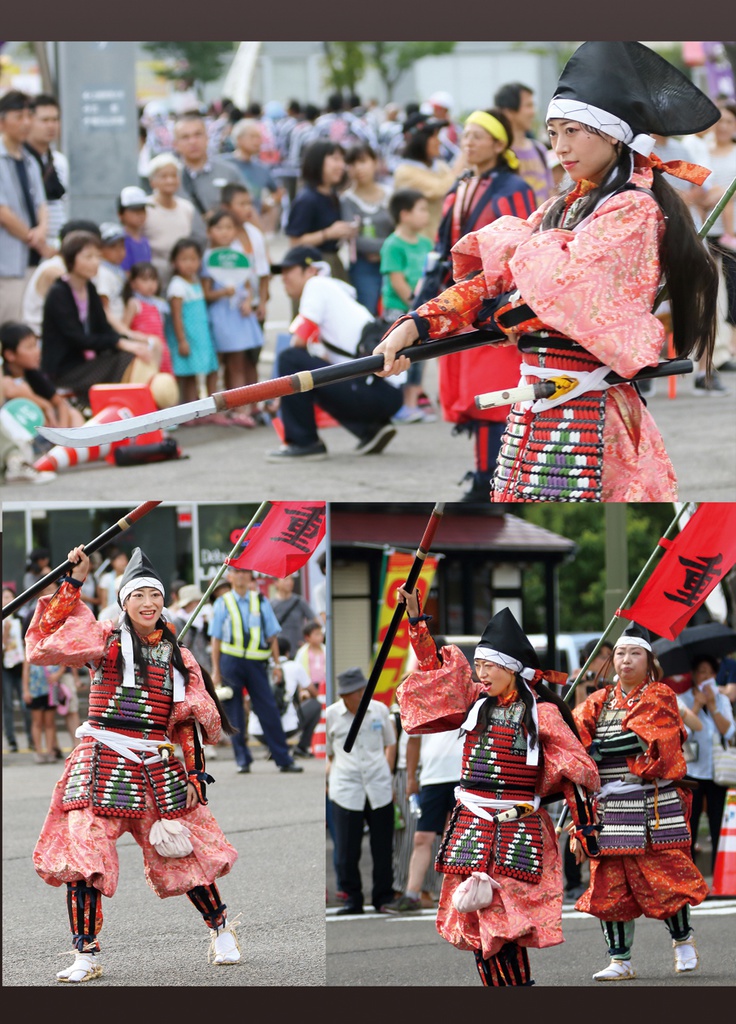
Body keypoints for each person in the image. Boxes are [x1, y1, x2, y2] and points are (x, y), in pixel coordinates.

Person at [375, 42, 721, 502]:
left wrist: (520, 266)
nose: (559, 148)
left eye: (572, 132)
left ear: (613, 135)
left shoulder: (635, 211)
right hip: (534, 402)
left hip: (593, 409)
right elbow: (495, 280)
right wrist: (416, 325)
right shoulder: (564, 206)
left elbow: (560, 293)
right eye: (553, 133)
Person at [25, 545, 241, 981]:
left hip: (154, 768)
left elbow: (187, 722)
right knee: (84, 857)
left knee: (182, 852)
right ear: (124, 602)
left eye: (155, 596)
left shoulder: (179, 657)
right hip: (98, 760)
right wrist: (74, 583)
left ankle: (221, 930)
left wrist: (196, 771)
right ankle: (85, 953)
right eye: (139, 595)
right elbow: (47, 640)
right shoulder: (102, 638)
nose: (149, 604)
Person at [396, 589, 600, 987]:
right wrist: (418, 622)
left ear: (513, 669)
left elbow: (574, 770)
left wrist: (585, 827)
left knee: (507, 925)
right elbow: (435, 671)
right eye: (478, 665)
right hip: (471, 827)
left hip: (518, 829)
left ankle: (518, 990)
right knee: (476, 920)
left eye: (489, 665)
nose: (481, 673)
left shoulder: (541, 714)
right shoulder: (475, 702)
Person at [572, 622, 709, 980]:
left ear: (649, 661)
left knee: (667, 877)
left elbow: (646, 742)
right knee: (609, 883)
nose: (626, 660)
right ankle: (620, 960)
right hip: (610, 805)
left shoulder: (660, 695)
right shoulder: (599, 701)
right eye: (620, 653)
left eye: (634, 653)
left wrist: (597, 749)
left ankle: (683, 940)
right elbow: (574, 738)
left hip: (652, 803)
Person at [413, 108, 537, 501]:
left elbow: (524, 247)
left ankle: (494, 478)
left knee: (492, 391)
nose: (468, 142)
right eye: (465, 135)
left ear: (499, 144)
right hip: (459, 299)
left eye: (477, 136)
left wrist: (506, 302)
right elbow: (441, 246)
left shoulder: (515, 187)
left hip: (495, 303)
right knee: (469, 391)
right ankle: (486, 471)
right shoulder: (462, 185)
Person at [267, 245, 402, 462]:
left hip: (376, 390)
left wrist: (277, 389)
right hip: (385, 391)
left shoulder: (317, 285)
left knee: (290, 360)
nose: (283, 278)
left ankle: (304, 443)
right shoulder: (337, 293)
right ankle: (371, 428)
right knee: (316, 376)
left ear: (310, 271)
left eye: (289, 270)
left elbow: (298, 342)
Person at [209, 564, 303, 774]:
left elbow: (272, 636)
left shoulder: (260, 601)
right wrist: (216, 670)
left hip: (256, 664)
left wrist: (277, 664)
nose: (241, 576)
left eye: (245, 573)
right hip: (230, 662)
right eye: (237, 573)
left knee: (268, 708)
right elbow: (215, 639)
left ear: (251, 577)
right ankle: (242, 760)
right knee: (233, 711)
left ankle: (283, 759)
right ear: (230, 577)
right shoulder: (223, 602)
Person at [40, 230, 154, 403]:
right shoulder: (59, 293)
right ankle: (124, 407)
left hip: (87, 361)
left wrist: (127, 342)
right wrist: (120, 343)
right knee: (126, 359)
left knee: (134, 354)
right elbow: (77, 338)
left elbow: (103, 328)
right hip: (65, 368)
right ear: (71, 259)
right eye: (88, 257)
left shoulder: (90, 289)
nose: (95, 263)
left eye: (97, 257)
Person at [326, 666, 397, 915]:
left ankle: (383, 897)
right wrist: (328, 782)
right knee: (347, 849)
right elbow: (327, 754)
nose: (363, 695)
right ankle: (352, 898)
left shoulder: (379, 710)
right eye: (358, 692)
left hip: (378, 785)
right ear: (345, 695)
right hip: (346, 787)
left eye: (364, 690)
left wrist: (387, 772)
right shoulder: (332, 715)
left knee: (382, 847)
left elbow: (391, 743)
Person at [384, 727, 463, 913]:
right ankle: (411, 895)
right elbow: (413, 740)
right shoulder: (423, 702)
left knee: (456, 839)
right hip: (431, 777)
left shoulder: (469, 697)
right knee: (422, 837)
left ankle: (455, 894)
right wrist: (411, 778)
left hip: (463, 775)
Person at [201, 206, 263, 426]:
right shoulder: (208, 258)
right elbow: (206, 293)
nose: (225, 232)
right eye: (219, 227)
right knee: (216, 364)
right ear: (210, 231)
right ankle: (215, 407)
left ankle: (241, 408)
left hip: (238, 316)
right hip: (219, 316)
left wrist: (248, 301)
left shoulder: (240, 257)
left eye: (229, 227)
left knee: (237, 363)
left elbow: (248, 286)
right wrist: (221, 293)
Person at [677, 654, 735, 873]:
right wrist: (697, 705)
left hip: (716, 772)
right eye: (702, 672)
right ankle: (689, 875)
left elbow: (729, 732)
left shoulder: (720, 699)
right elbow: (684, 733)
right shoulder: (682, 698)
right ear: (693, 675)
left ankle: (719, 875)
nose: (707, 677)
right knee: (689, 825)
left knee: (717, 823)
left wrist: (712, 706)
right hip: (691, 772)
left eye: (711, 673)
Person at [380, 189, 434, 424]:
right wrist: (415, 305)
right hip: (399, 310)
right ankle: (401, 403)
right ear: (404, 214)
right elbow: (397, 280)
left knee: (419, 358)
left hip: (419, 310)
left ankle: (412, 403)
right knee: (400, 355)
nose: (427, 216)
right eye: (421, 210)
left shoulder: (425, 242)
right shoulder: (393, 244)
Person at [0, 91, 49, 324]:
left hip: (33, 258)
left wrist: (42, 230)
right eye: (18, 116)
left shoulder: (29, 160)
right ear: (2, 121)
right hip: (7, 262)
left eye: (29, 116)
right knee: (9, 328)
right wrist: (34, 237)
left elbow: (41, 203)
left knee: (28, 328)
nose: (26, 122)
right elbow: (3, 212)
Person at [285, 140, 357, 284]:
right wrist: (328, 234)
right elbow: (295, 242)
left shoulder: (332, 195)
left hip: (333, 262)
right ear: (317, 161)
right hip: (312, 267)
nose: (341, 165)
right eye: (335, 159)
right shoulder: (307, 199)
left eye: (343, 160)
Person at [164, 236, 219, 404]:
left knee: (207, 368)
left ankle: (207, 405)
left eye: (193, 259)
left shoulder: (196, 282)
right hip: (188, 337)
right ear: (174, 262)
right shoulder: (177, 286)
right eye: (184, 259)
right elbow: (176, 315)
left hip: (201, 336)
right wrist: (182, 341)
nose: (189, 264)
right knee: (187, 374)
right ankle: (188, 408)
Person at [340, 143, 393, 314]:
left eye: (363, 161)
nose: (358, 168)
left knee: (394, 313)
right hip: (363, 267)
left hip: (393, 263)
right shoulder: (347, 200)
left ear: (375, 162)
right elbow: (355, 240)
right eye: (352, 164)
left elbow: (401, 230)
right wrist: (388, 245)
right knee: (367, 313)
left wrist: (381, 250)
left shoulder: (389, 194)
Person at [1, 320, 84, 429]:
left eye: (36, 345)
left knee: (74, 414)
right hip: (25, 429)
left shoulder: (32, 373)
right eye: (30, 347)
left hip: (50, 428)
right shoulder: (5, 379)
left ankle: (66, 445)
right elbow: (13, 391)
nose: (37, 351)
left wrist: (61, 432)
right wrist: (45, 405)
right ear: (10, 355)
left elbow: (60, 403)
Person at [172, 113, 242, 241]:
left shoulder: (229, 172)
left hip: (223, 253)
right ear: (175, 144)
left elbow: (245, 210)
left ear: (207, 137)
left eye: (197, 134)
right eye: (185, 137)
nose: (192, 141)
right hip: (185, 255)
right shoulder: (170, 178)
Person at [392, 113, 459, 241]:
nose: (439, 141)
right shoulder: (405, 172)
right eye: (433, 136)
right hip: (418, 247)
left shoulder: (439, 166)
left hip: (441, 242)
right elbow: (440, 189)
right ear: (419, 140)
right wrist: (463, 160)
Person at [493, 82, 554, 208]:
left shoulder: (539, 149)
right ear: (508, 112)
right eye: (528, 106)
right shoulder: (497, 153)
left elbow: (550, 192)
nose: (533, 112)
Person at [143, 153, 196, 289]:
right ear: (152, 181)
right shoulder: (145, 208)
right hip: (153, 276)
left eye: (174, 176)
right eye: (164, 176)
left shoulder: (186, 208)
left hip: (182, 274)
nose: (170, 180)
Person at [25, 94, 68, 251]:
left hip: (55, 243)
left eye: (55, 120)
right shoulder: (19, 161)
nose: (51, 126)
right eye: (44, 120)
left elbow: (63, 204)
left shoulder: (59, 161)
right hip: (29, 243)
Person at [225, 119, 285, 223]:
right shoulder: (224, 163)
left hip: (252, 223)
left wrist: (267, 204)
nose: (257, 141)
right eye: (252, 137)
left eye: (259, 137)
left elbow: (279, 192)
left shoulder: (262, 168)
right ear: (238, 139)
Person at [121, 261, 174, 375]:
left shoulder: (159, 304)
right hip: (145, 352)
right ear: (133, 284)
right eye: (145, 280)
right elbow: (124, 330)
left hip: (162, 350)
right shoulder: (134, 303)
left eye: (153, 279)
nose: (150, 284)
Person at [3, 585, 32, 753]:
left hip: (21, 666)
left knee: (25, 704)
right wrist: (5, 634)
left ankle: (30, 739)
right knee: (7, 705)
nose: (7, 600)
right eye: (4, 597)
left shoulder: (21, 620)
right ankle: (12, 741)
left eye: (9, 597)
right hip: (5, 668)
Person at [271, 575, 317, 657]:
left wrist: (308, 641)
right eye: (286, 580)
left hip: (299, 650)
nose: (290, 582)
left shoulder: (299, 602)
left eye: (291, 579)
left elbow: (314, 621)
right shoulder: (271, 604)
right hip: (280, 651)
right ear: (276, 583)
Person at [117, 186, 153, 272]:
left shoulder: (144, 240)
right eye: (134, 210)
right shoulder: (120, 241)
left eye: (142, 209)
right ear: (121, 214)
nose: (140, 214)